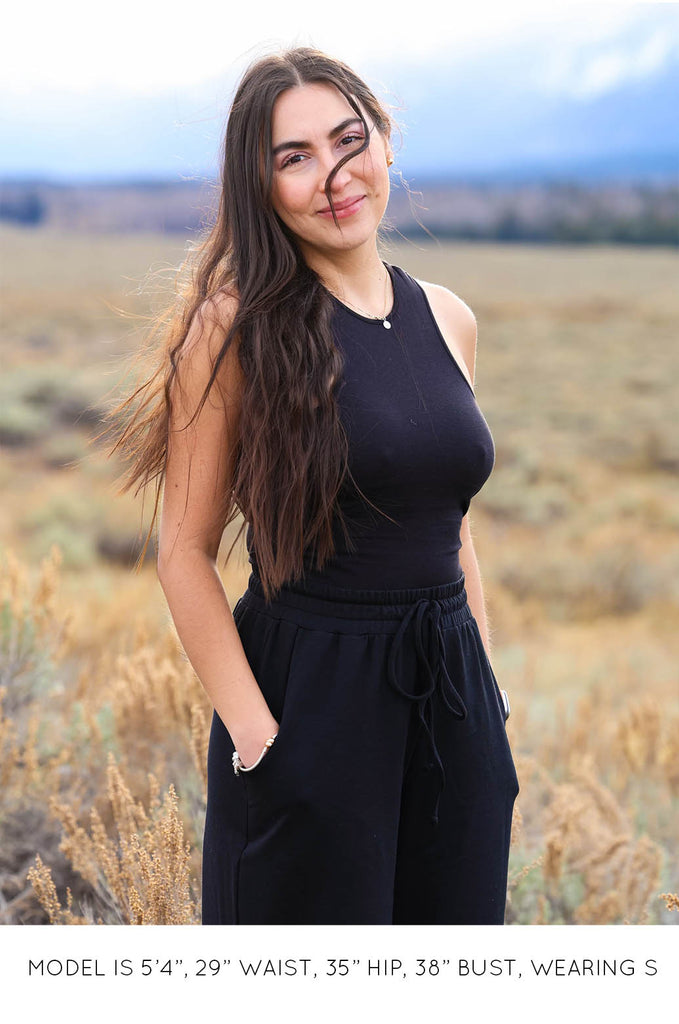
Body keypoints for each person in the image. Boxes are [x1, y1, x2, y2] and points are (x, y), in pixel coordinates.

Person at [110, 46, 519, 925]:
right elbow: (181, 553)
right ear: (259, 189)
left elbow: (448, 521)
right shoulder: (232, 330)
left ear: (384, 145)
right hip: (312, 697)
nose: (333, 175)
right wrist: (260, 742)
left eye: (347, 139)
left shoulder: (448, 316)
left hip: (450, 700)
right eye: (293, 158)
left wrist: (484, 688)